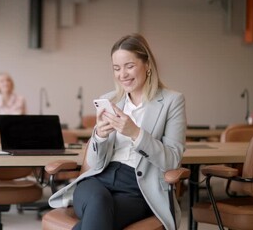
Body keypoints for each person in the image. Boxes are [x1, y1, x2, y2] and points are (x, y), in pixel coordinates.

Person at [48, 34, 186, 230]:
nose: (122, 74)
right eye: (116, 68)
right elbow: (94, 164)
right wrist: (100, 137)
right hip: (97, 180)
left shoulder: (172, 101)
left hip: (137, 189)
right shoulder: (109, 100)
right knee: (98, 202)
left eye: (129, 66)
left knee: (96, 218)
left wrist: (136, 133)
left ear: (147, 65)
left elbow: (172, 159)